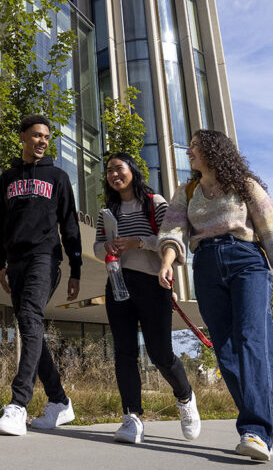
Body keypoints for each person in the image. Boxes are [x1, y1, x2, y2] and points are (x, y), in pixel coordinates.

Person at [157, 129, 273, 462]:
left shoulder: (245, 186)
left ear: (214, 151)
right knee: (225, 349)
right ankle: (258, 424)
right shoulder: (187, 191)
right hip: (207, 265)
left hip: (247, 261)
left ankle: (256, 431)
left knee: (251, 340)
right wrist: (168, 261)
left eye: (196, 147)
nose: (190, 153)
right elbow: (173, 229)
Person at [94, 152, 200, 444]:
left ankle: (185, 397)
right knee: (124, 353)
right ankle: (132, 417)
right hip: (118, 284)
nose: (114, 175)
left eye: (119, 168)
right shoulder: (108, 211)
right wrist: (110, 247)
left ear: (132, 170)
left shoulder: (155, 203)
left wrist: (138, 242)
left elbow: (173, 240)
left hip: (153, 284)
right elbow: (96, 246)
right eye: (109, 171)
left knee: (160, 353)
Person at [0, 114, 81, 436]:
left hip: (46, 257)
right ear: (23, 137)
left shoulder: (58, 177)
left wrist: (76, 269)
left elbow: (70, 225)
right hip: (14, 261)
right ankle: (58, 401)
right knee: (31, 328)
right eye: (37, 135)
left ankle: (17, 405)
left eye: (46, 136)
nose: (42, 141)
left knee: (30, 316)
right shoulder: (7, 178)